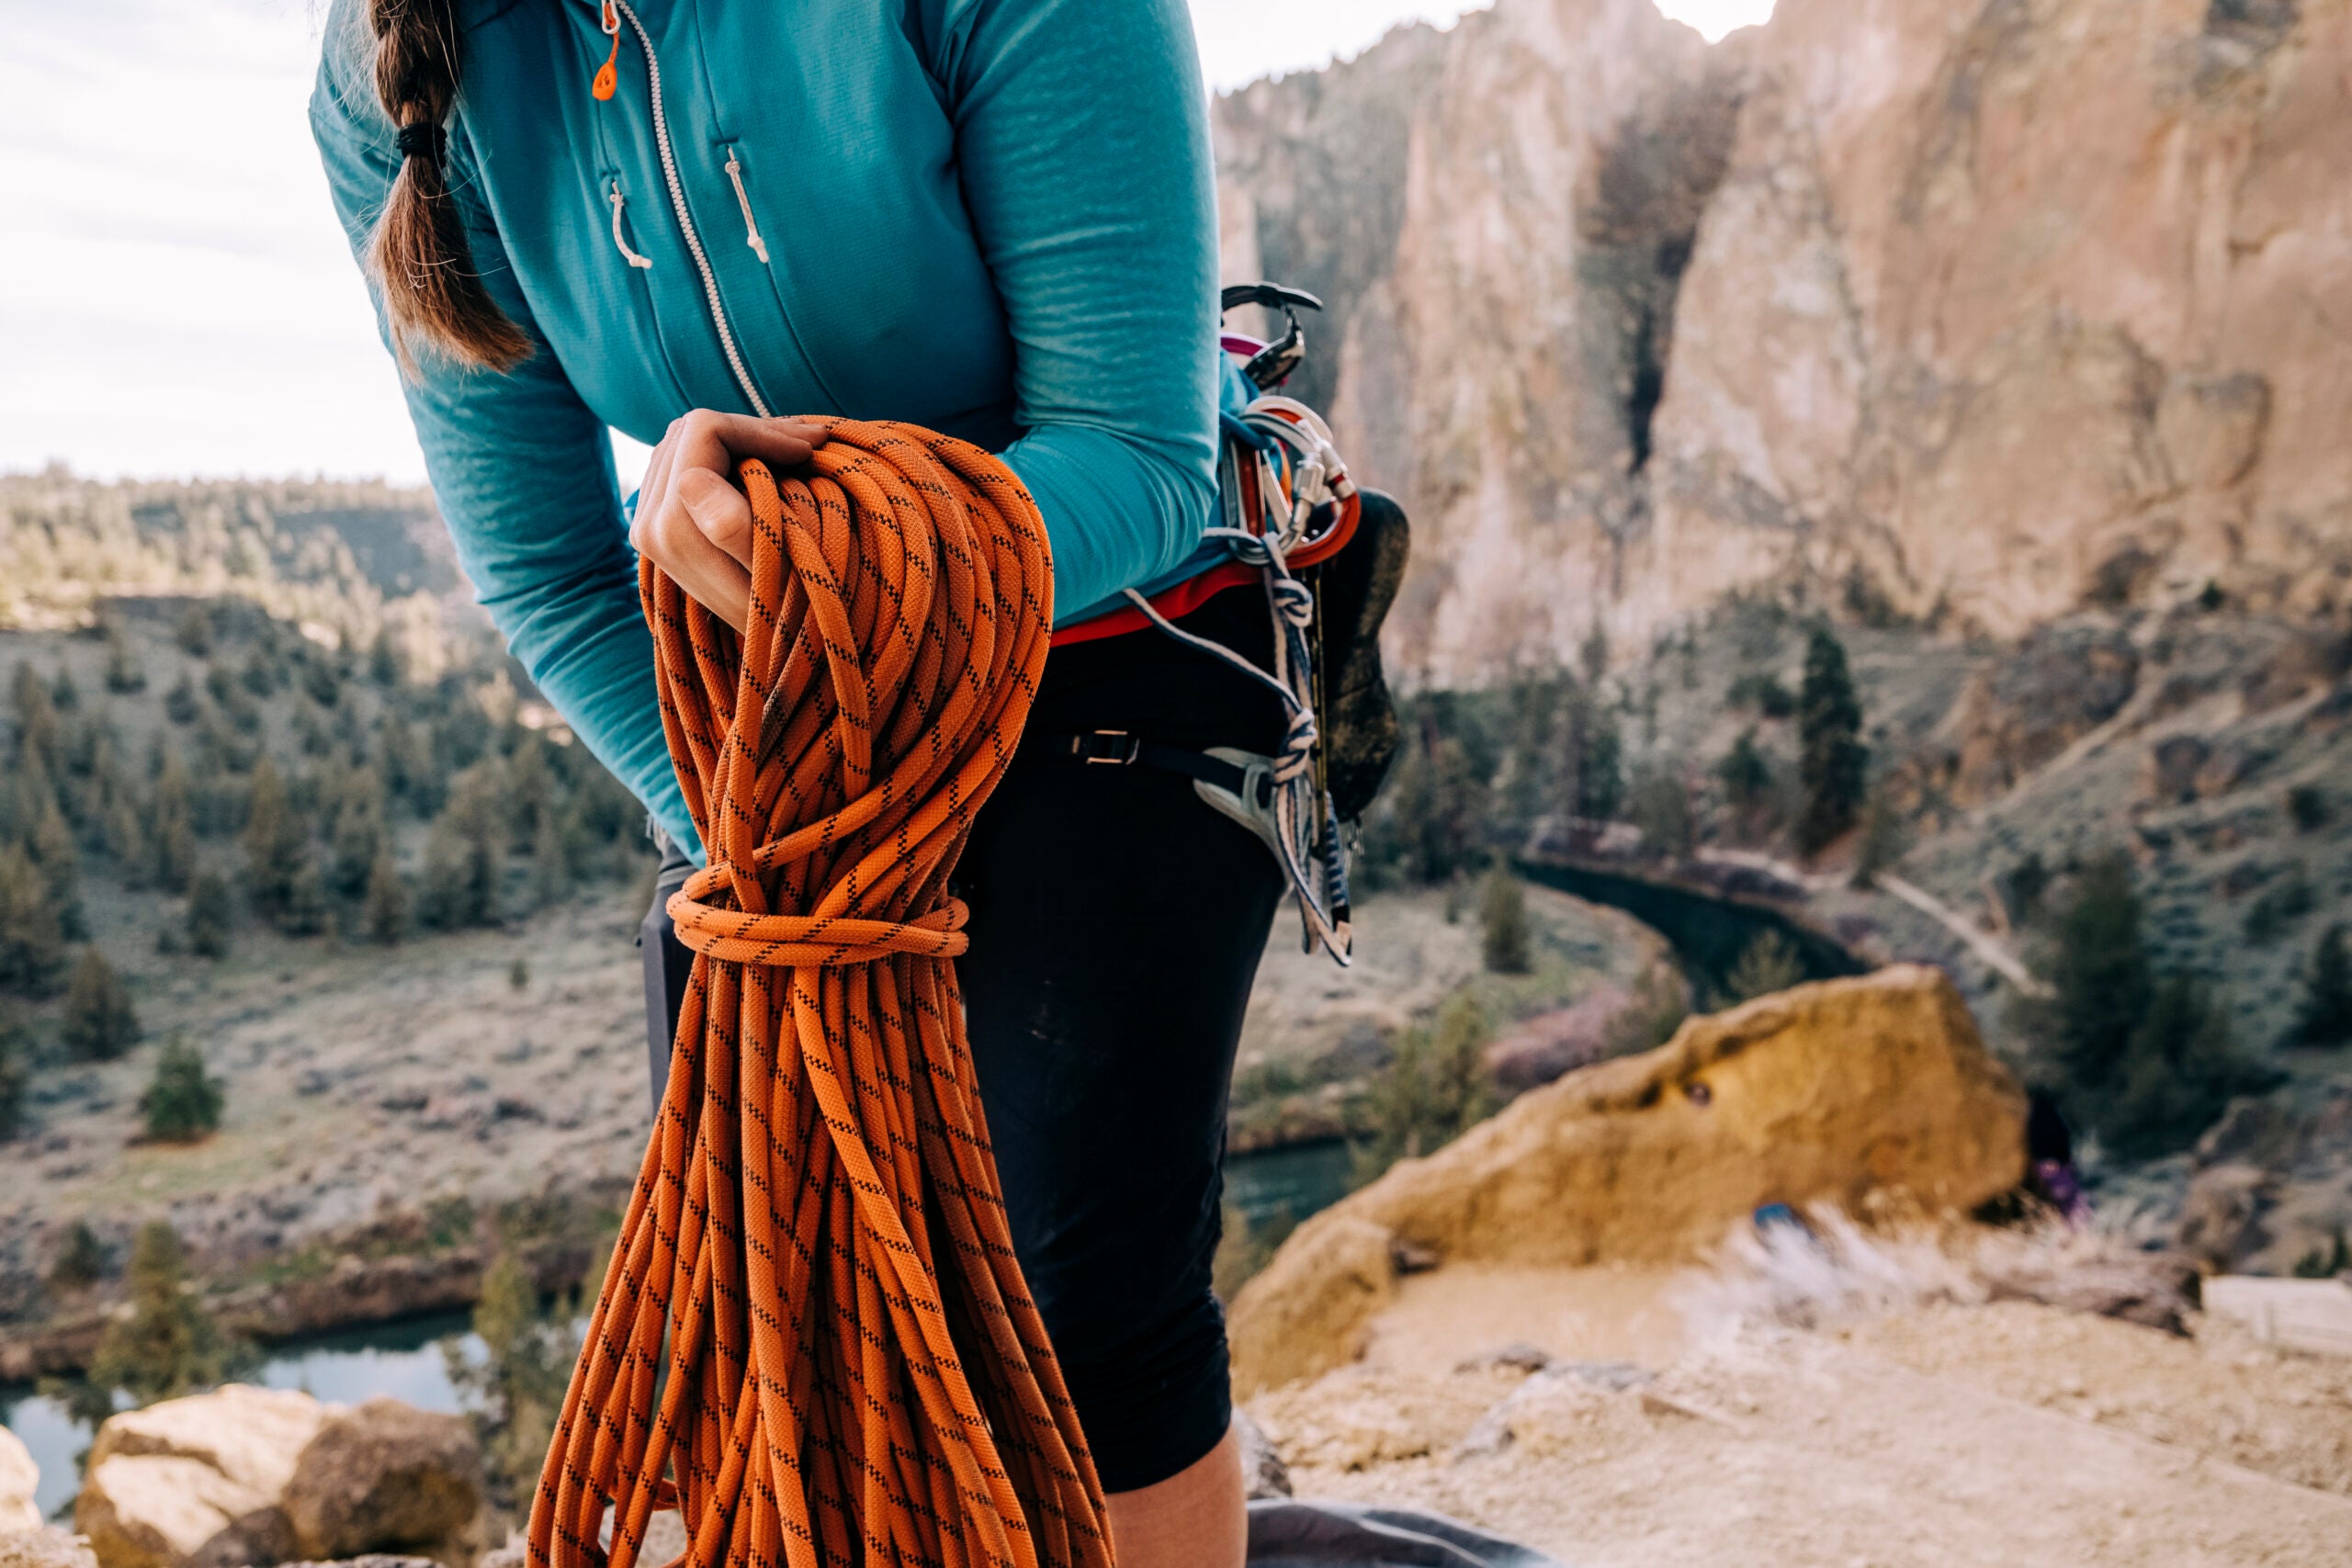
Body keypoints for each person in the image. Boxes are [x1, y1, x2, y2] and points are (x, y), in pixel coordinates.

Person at [311, 3, 1281, 1563]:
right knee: (758, 1289)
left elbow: (1138, 454)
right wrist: (780, 850)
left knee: (1079, 1296)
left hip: (1115, 631)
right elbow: (553, 573)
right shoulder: (390, 73)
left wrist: (847, 586)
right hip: (774, 736)